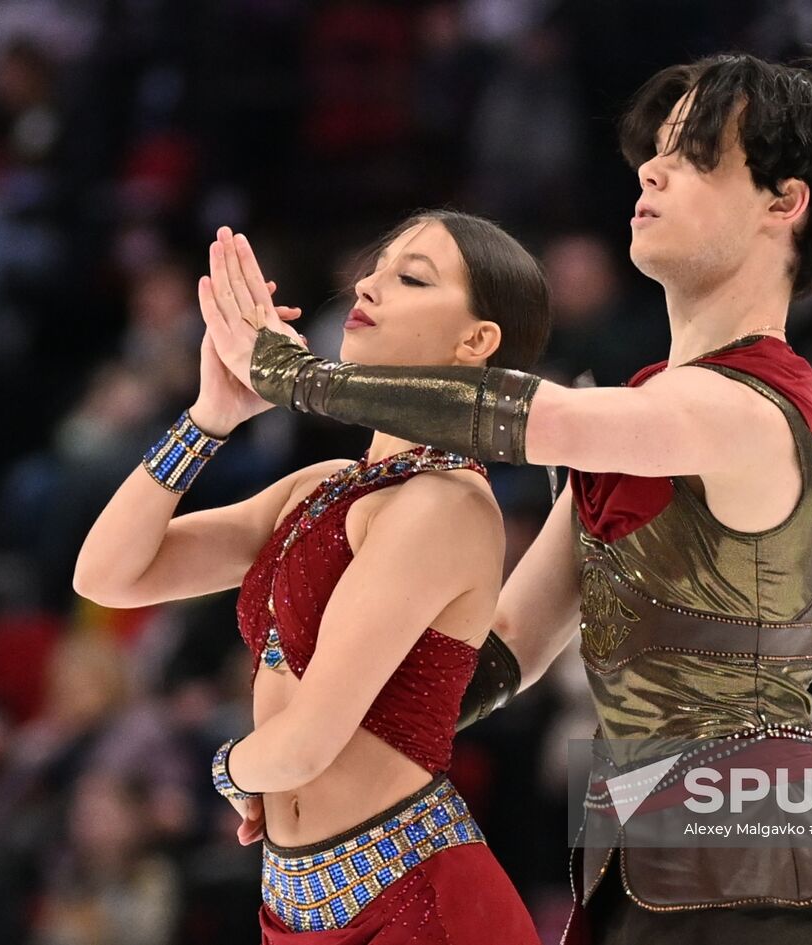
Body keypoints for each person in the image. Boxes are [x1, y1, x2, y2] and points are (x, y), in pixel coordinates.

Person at [205, 52, 812, 943]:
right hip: (649, 862)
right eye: (656, 153)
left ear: (782, 203)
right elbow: (506, 653)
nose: (650, 169)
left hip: (759, 861)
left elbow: (538, 419)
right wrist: (320, 762)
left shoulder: (748, 405)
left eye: (694, 157)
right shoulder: (644, 412)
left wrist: (294, 375)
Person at [73, 210, 548, 943]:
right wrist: (209, 417)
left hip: (418, 900)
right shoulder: (322, 485)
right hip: (295, 902)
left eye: (411, 277)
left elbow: (307, 742)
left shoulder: (445, 504)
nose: (368, 283)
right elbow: (107, 573)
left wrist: (232, 771)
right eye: (377, 266)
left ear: (476, 340)